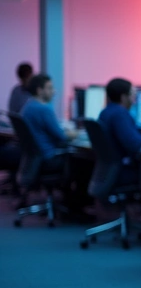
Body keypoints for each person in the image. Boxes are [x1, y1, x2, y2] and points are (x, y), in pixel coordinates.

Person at [20, 74, 91, 215]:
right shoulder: (43, 109)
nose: (54, 91)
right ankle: (77, 208)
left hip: (37, 159)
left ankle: (70, 201)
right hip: (49, 159)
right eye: (50, 88)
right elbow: (62, 137)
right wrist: (78, 133)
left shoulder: (28, 107)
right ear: (40, 91)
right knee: (85, 161)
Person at [97, 78, 141, 186]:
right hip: (122, 171)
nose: (135, 100)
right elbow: (135, 145)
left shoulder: (105, 112)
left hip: (108, 171)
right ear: (124, 97)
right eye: (133, 95)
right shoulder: (120, 114)